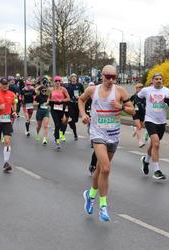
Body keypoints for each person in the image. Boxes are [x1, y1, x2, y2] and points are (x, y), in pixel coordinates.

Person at [79, 65, 135, 222]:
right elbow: (81, 100)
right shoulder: (92, 90)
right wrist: (83, 115)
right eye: (108, 76)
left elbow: (133, 110)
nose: (111, 80)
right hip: (97, 134)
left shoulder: (120, 91)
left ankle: (90, 195)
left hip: (113, 135)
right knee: (106, 168)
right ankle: (103, 206)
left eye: (113, 77)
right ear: (102, 76)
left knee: (100, 169)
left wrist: (121, 107)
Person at [138, 73, 169, 180]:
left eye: (160, 79)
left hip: (162, 122)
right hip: (150, 120)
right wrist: (141, 106)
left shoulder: (167, 91)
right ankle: (156, 171)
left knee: (154, 144)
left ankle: (145, 161)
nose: (159, 81)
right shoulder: (147, 90)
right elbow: (137, 98)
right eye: (156, 79)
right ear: (153, 80)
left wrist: (168, 102)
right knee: (156, 143)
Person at [61, 73, 84, 141]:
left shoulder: (79, 85)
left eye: (75, 77)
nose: (74, 78)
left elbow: (84, 93)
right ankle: (72, 134)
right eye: (72, 77)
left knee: (75, 120)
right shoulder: (67, 85)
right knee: (67, 120)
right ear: (70, 79)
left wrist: (80, 97)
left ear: (76, 78)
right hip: (69, 104)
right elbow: (63, 94)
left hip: (76, 104)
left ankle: (70, 125)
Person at [49, 76, 70, 150]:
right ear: (54, 82)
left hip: (61, 108)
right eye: (56, 81)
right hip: (54, 109)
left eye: (59, 81)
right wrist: (49, 102)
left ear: (60, 82)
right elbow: (49, 98)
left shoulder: (63, 89)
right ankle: (57, 141)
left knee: (63, 123)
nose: (57, 82)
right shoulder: (52, 90)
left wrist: (62, 101)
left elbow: (68, 98)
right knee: (57, 125)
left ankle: (56, 133)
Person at [130, 83, 146, 147]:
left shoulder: (145, 96)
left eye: (141, 87)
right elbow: (127, 102)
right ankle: (140, 141)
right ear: (136, 89)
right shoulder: (134, 96)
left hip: (142, 112)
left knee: (141, 126)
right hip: (135, 112)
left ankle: (135, 129)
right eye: (137, 87)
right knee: (139, 126)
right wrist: (130, 108)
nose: (139, 89)